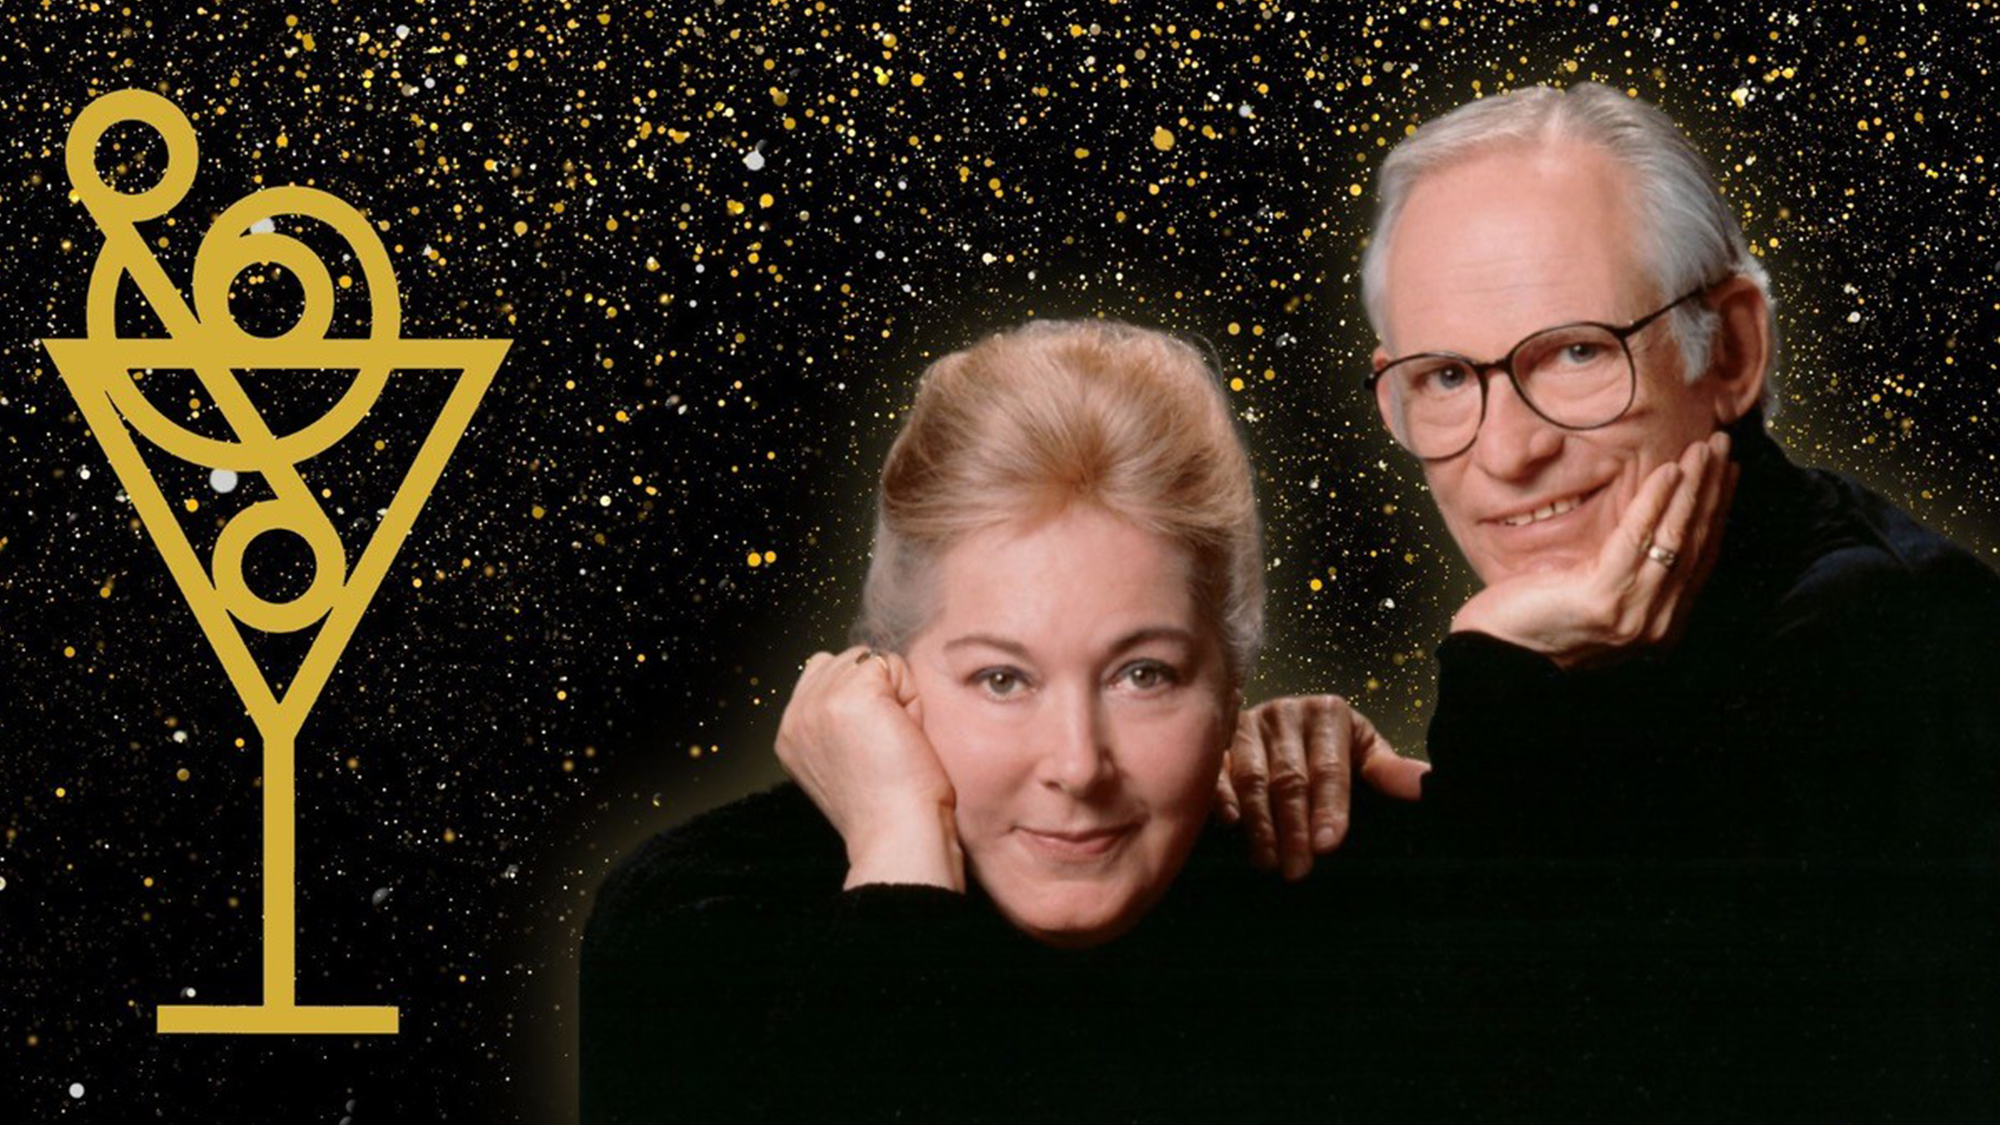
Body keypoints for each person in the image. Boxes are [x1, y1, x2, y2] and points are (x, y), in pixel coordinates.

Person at [1228, 83, 2000, 1118]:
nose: (1506, 452)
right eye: (1446, 377)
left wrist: (1488, 663)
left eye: (1577, 351)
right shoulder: (1622, 660)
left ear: (1728, 349)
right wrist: (1351, 783)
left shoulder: (1895, 646)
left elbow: (1521, 1070)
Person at [579, 320, 1425, 1124]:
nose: (1078, 764)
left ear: (1231, 683)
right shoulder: (699, 925)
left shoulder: (1340, 899)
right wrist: (900, 854)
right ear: (889, 672)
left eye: (1144, 674)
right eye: (1001, 678)